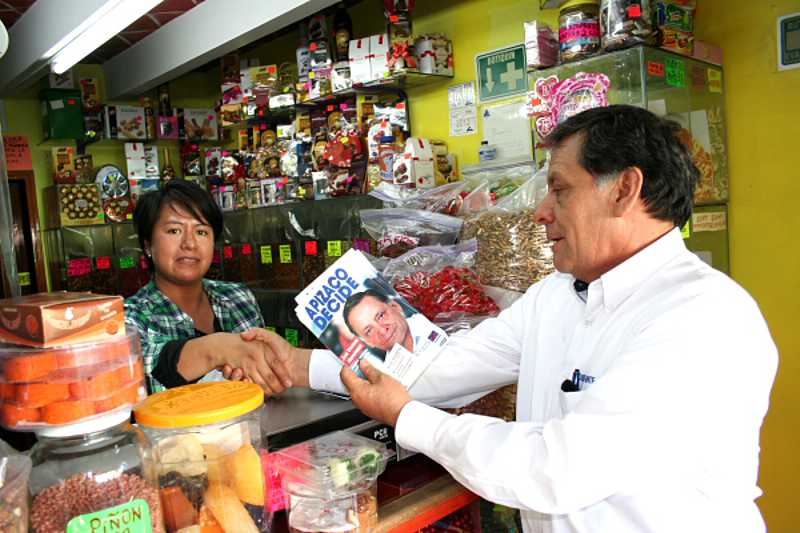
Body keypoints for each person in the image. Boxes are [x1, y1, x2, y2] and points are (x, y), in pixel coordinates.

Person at [241, 105, 779, 532]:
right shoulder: (557, 295)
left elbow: (556, 469)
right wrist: (300, 365)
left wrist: (411, 419)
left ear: (624, 189)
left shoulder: (703, 318)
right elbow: (440, 367)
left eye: (560, 190)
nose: (542, 212)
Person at [125, 180, 291, 394]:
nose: (190, 243)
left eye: (201, 232)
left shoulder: (238, 297)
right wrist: (218, 349)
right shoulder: (130, 318)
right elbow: (143, 380)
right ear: (148, 244)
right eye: (174, 231)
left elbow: (267, 375)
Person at [342, 289, 430, 354]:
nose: (382, 331)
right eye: (369, 331)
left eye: (381, 316)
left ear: (395, 306)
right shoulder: (387, 373)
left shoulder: (430, 317)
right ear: (367, 342)